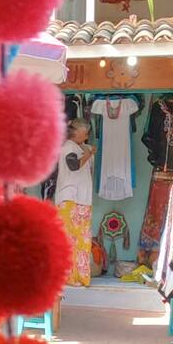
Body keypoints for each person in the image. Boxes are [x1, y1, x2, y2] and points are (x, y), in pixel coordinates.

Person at [54, 118, 97, 290]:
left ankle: (80, 277)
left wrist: (88, 151)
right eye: (85, 132)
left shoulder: (82, 147)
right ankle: (67, 277)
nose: (87, 136)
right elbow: (74, 165)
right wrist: (89, 154)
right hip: (69, 199)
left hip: (82, 199)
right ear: (77, 132)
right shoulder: (68, 148)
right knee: (69, 239)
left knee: (82, 240)